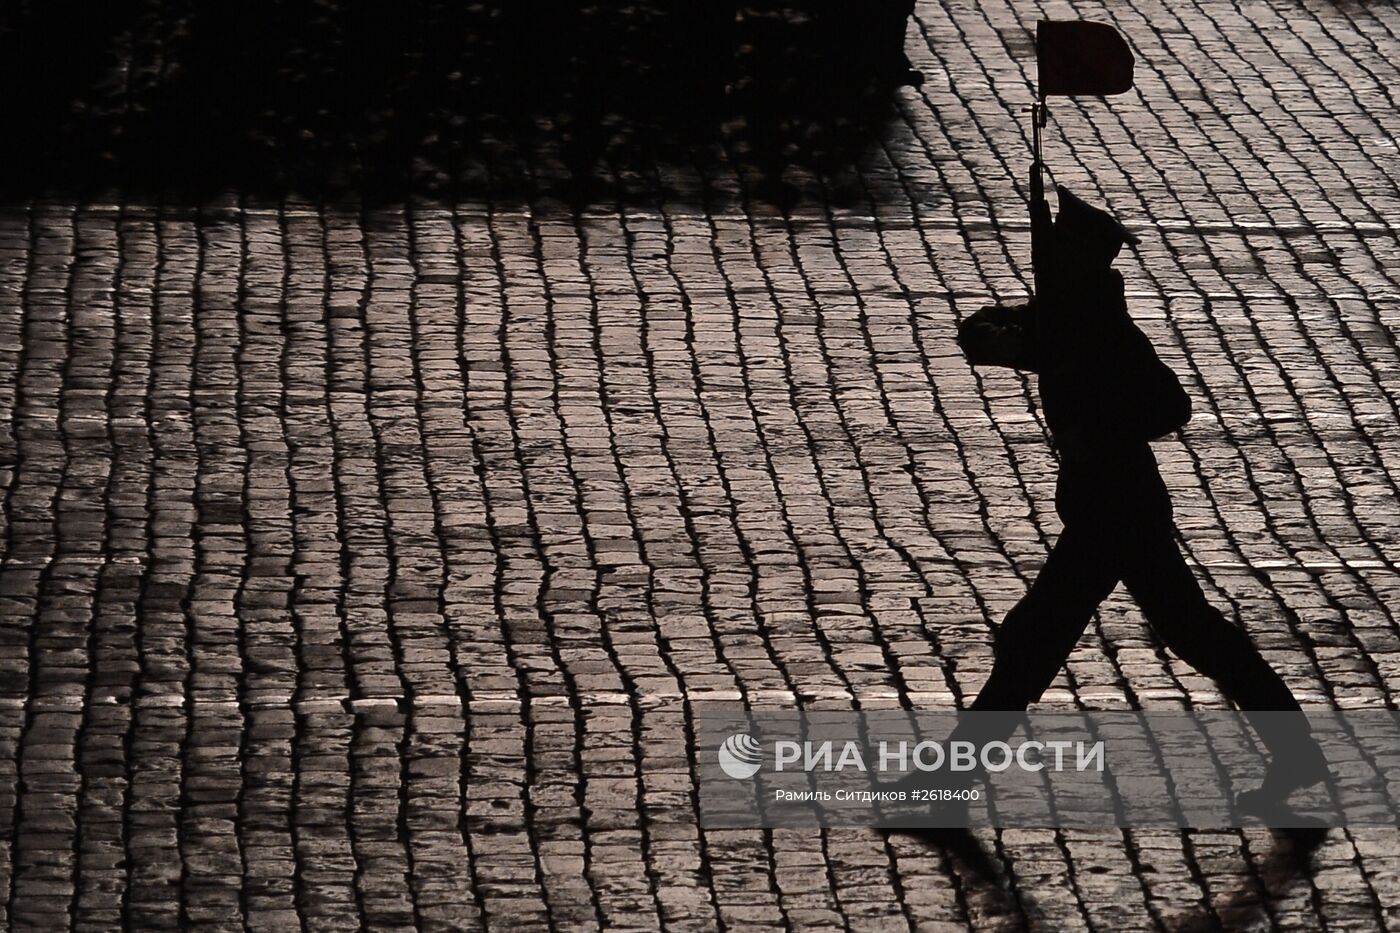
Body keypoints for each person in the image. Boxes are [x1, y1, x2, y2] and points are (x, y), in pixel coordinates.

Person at [936, 185, 1328, 819]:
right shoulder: (1068, 313)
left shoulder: (1098, 327)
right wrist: (1000, 334)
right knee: (1191, 632)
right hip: (1111, 504)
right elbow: (981, 333)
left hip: (1114, 504)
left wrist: (1103, 425)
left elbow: (1170, 405)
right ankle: (1297, 752)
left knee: (1037, 639)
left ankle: (944, 790)